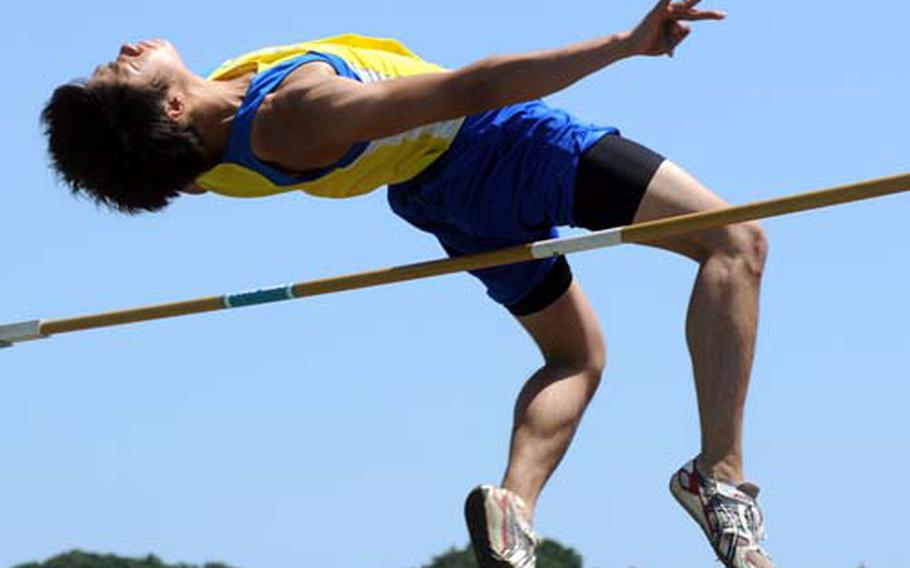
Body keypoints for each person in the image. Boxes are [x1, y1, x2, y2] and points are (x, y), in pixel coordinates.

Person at [40, 1, 773, 566]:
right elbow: (472, 87)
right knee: (736, 240)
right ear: (170, 108)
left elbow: (154, 172)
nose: (125, 49)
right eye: (122, 70)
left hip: (437, 200)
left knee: (577, 356)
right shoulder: (298, 115)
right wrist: (623, 45)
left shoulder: (199, 163)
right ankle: (720, 478)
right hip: (500, 144)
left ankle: (514, 509)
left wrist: (115, 144)